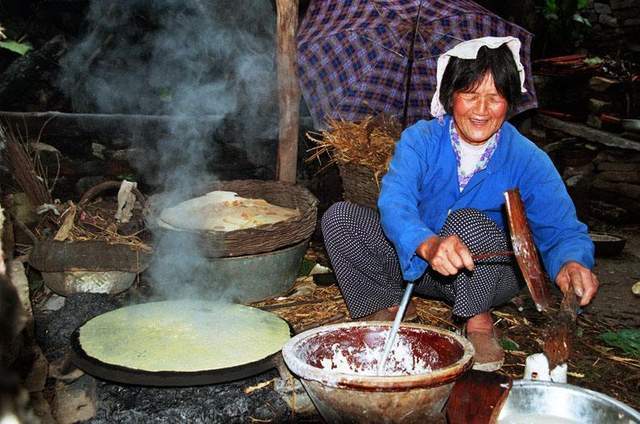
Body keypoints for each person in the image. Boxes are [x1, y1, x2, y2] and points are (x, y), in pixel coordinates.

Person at [321, 36, 599, 371]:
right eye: (470, 95)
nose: (481, 110)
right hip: (423, 265)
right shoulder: (420, 140)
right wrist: (426, 243)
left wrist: (572, 263)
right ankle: (385, 307)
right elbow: (396, 201)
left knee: (468, 220)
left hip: (489, 274)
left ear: (509, 102)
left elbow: (562, 229)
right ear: (451, 96)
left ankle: (478, 321)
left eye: (494, 98)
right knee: (340, 219)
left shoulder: (527, 159)